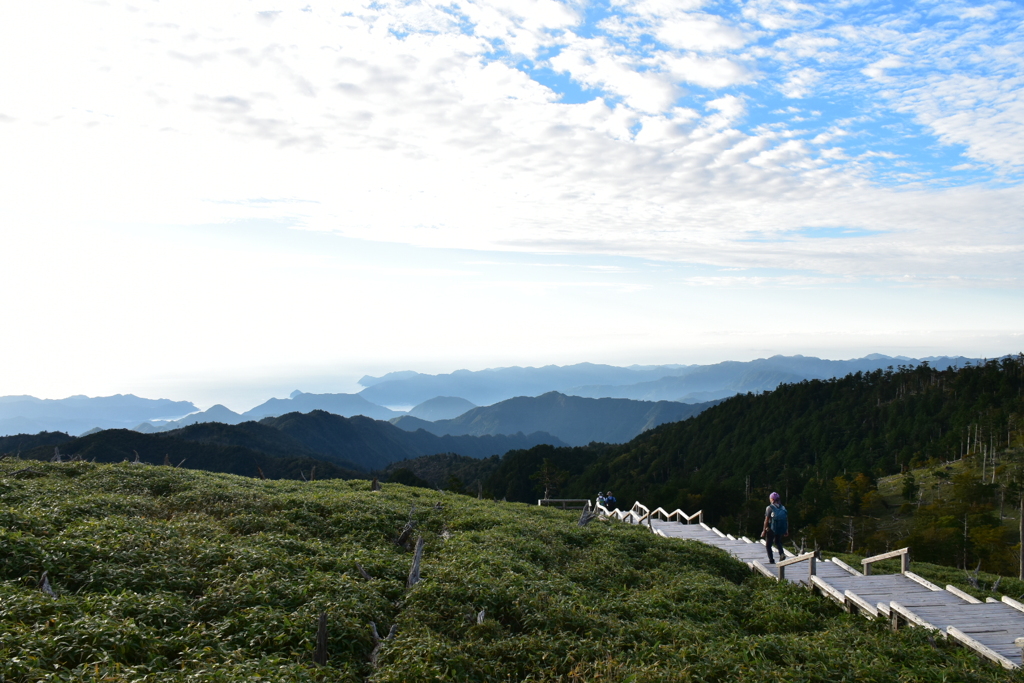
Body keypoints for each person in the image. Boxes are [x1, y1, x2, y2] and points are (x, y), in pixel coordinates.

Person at [760, 492, 788, 564]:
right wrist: (786, 530)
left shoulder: (769, 508)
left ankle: (771, 560)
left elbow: (766, 520)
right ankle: (781, 554)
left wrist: (764, 531)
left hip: (771, 529)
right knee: (777, 542)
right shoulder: (783, 507)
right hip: (780, 528)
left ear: (772, 499)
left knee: (768, 545)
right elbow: (785, 519)